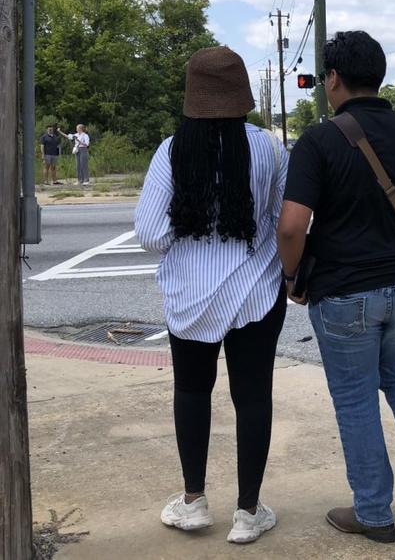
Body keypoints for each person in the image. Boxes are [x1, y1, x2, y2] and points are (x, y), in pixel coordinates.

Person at [277, 31, 395, 545]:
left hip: (346, 293)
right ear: (378, 76)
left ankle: (375, 513)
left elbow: (291, 227)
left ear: (333, 79)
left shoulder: (319, 139)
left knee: (356, 401)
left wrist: (293, 278)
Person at [134, 46, 288, 545]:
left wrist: (191, 225)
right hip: (257, 293)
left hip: (191, 298)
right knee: (253, 397)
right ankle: (248, 512)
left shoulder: (172, 151)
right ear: (242, 93)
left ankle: (194, 502)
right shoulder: (267, 147)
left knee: (192, 393)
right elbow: (281, 218)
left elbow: (150, 234)